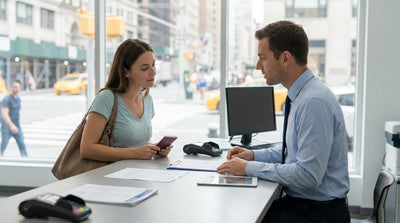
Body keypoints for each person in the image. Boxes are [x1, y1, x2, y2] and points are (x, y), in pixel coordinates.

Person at [217, 21, 350, 223]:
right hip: (305, 206)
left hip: (318, 214)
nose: (258, 66)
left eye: (263, 58)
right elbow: (293, 153)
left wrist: (247, 168)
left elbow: (308, 175)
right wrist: (252, 156)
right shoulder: (302, 95)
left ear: (285, 58)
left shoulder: (313, 102)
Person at [80, 39, 172, 162]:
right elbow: (87, 149)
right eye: (145, 68)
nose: (153, 72)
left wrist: (153, 149)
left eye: (153, 65)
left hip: (137, 174)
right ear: (126, 72)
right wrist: (134, 153)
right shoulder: (106, 98)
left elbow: (135, 144)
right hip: (109, 176)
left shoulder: (147, 99)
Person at [1, 80, 28, 157]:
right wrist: (11, 125)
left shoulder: (18, 99)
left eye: (18, 87)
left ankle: (26, 162)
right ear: (11, 87)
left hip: (17, 125)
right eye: (15, 87)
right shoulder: (6, 99)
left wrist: (15, 126)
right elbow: (4, 114)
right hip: (7, 127)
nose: (17, 89)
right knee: (3, 145)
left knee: (22, 144)